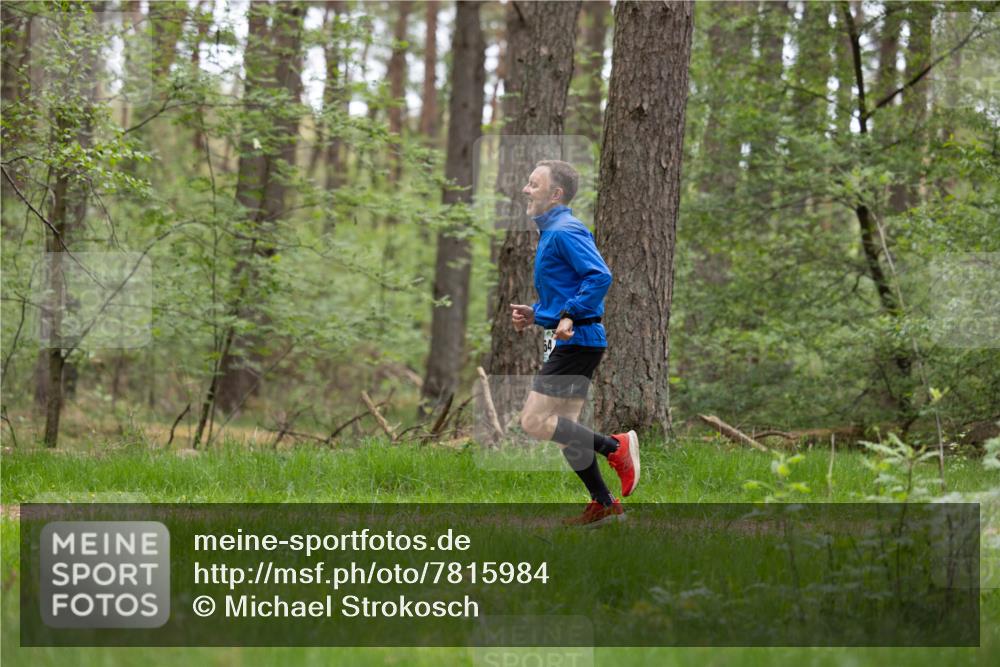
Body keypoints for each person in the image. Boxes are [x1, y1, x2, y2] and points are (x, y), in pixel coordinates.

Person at [509, 159, 639, 527]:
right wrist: (538, 314)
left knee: (534, 421)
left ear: (556, 194)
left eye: (534, 184)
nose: (525, 190)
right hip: (574, 339)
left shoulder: (565, 230)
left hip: (579, 340)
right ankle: (605, 505)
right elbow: (568, 290)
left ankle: (616, 447)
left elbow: (599, 276)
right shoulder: (551, 232)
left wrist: (568, 314)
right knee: (567, 431)